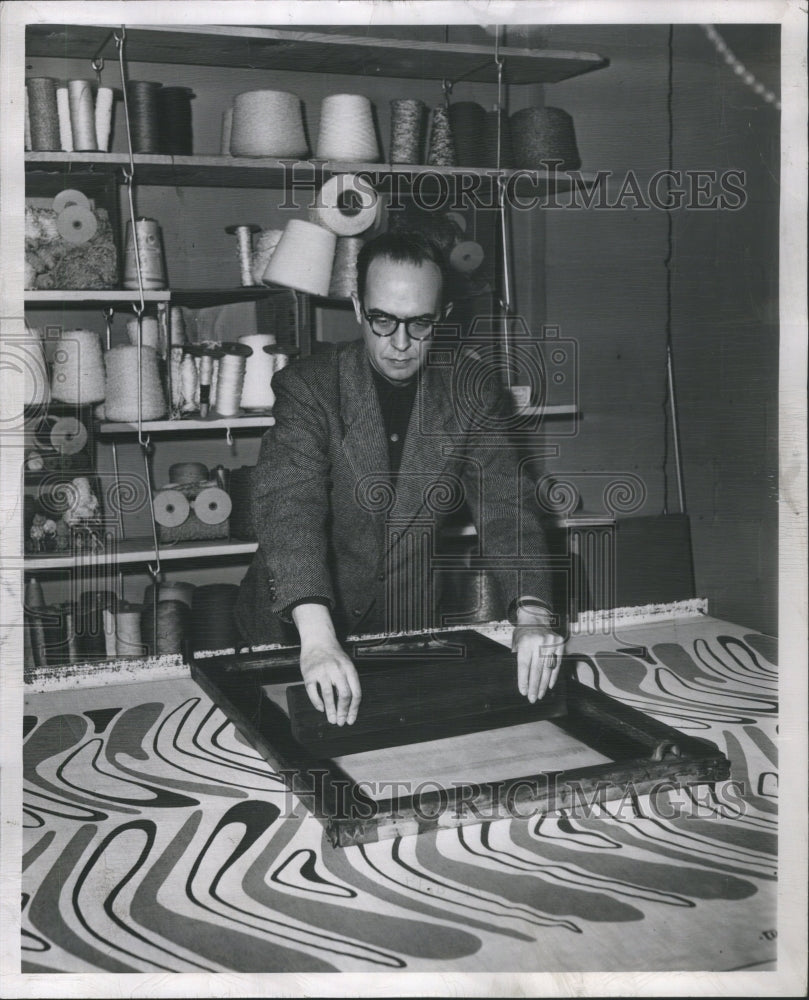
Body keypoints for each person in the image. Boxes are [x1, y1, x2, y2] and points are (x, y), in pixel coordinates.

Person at [235, 231, 564, 726]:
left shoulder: (470, 392)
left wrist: (534, 615)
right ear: (357, 306)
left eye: (420, 323)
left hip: (404, 625)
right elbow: (290, 508)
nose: (401, 343)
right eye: (383, 319)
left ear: (443, 317)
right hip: (296, 629)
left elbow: (506, 508)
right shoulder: (311, 386)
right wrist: (319, 637)